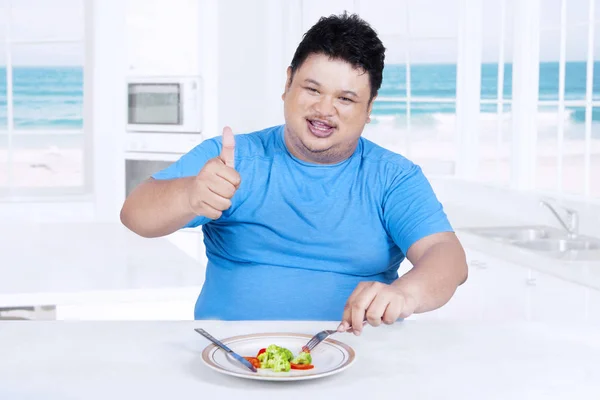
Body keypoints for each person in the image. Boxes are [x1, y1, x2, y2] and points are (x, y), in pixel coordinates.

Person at [120, 12, 468, 335]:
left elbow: (447, 256)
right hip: (230, 358)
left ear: (369, 108)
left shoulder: (394, 177)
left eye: (345, 99)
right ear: (288, 83)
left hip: (357, 360)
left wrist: (405, 294)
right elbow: (135, 214)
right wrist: (190, 194)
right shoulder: (231, 158)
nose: (324, 109)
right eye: (312, 89)